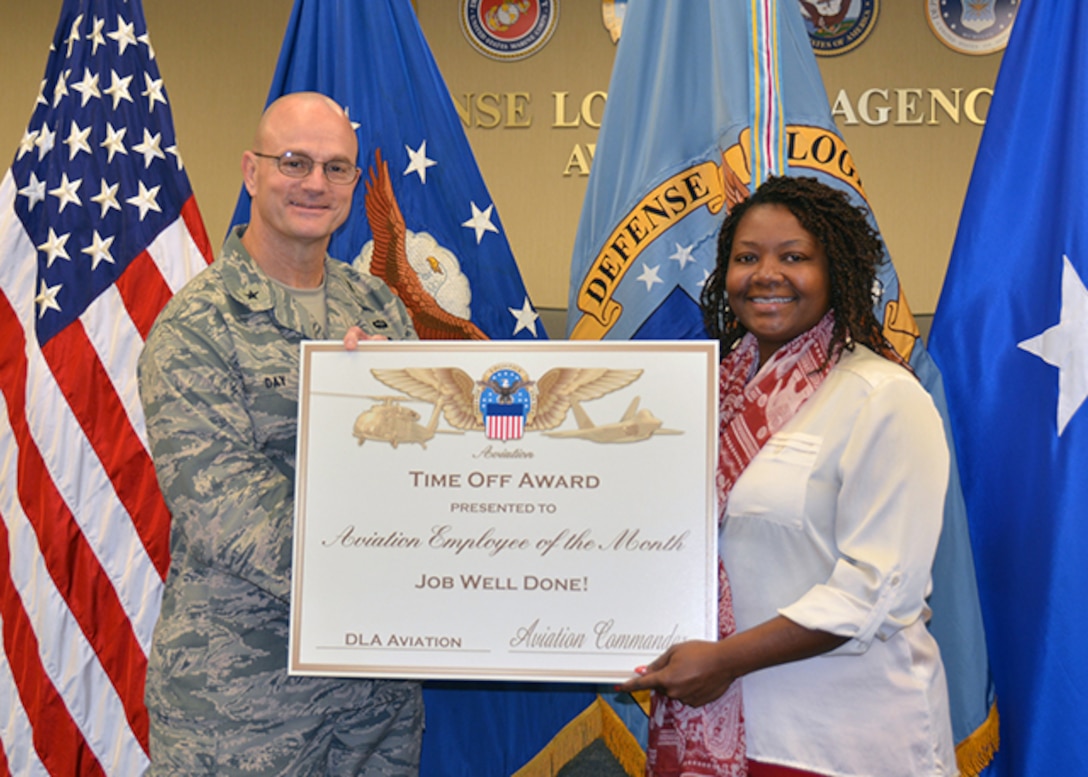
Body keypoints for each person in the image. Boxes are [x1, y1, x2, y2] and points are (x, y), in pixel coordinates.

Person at [621, 176, 956, 777]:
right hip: (711, 731)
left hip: (838, 738)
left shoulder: (882, 396)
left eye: (794, 257)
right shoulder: (702, 394)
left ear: (837, 271)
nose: (766, 274)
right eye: (747, 257)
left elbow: (878, 591)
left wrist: (724, 660)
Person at [138, 92, 422, 775]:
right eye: (294, 162)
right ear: (251, 171)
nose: (316, 183)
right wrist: (420, 572)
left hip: (374, 702)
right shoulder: (196, 327)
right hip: (242, 710)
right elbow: (231, 518)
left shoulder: (378, 308)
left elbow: (424, 474)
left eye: (336, 167)